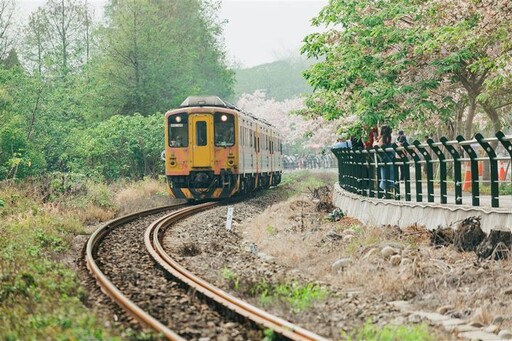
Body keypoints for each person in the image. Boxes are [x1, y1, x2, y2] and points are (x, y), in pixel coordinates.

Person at [374, 125, 395, 193]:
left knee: (384, 175)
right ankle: (391, 191)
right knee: (391, 174)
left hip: (384, 158)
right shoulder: (389, 137)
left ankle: (386, 191)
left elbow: (378, 146)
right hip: (390, 158)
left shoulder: (382, 138)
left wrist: (375, 143)